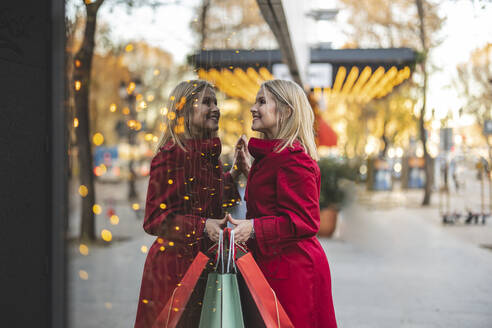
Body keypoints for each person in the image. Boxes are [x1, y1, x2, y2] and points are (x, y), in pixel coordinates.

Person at [228, 79, 338, 327]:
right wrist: (248, 172)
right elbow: (276, 200)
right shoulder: (274, 157)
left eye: (262, 101)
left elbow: (306, 221)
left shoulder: (294, 159)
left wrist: (253, 228)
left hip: (294, 273)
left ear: (286, 112)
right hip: (278, 267)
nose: (253, 108)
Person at [134, 80, 243, 327]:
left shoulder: (206, 154)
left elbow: (205, 198)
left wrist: (235, 174)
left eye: (216, 102)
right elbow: (154, 220)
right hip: (173, 271)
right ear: (183, 112)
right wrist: (203, 226)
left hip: (203, 264)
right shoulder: (171, 155)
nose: (215, 108)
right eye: (206, 102)